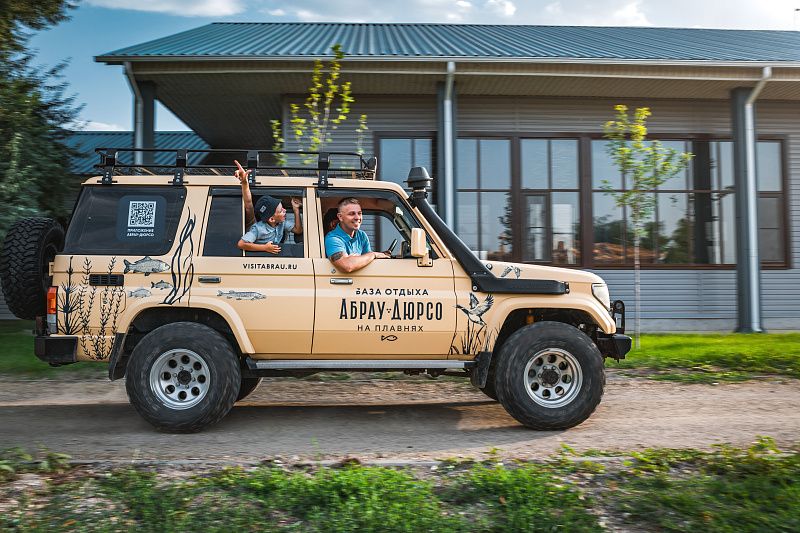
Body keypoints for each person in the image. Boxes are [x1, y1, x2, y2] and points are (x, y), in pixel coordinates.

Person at [325, 197, 390, 272]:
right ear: (340, 217)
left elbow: (368, 261)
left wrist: (357, 259)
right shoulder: (332, 239)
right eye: (351, 214)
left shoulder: (362, 235)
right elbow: (348, 266)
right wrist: (373, 254)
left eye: (359, 213)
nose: (357, 217)